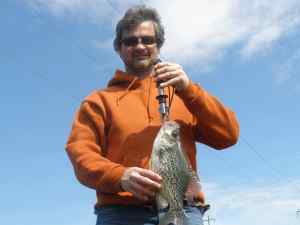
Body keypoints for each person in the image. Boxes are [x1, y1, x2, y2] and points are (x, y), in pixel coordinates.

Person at [65, 5, 239, 225]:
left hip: (184, 210)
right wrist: (120, 177)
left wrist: (189, 89)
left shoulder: (185, 94)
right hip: (121, 214)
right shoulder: (98, 101)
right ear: (118, 47)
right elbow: (81, 154)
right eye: (130, 41)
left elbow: (228, 135)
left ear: (158, 46)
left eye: (148, 40)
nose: (140, 46)